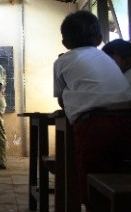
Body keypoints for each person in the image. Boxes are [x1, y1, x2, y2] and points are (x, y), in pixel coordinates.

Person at [53, 10, 131, 209]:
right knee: (119, 172)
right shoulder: (108, 59)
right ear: (99, 38)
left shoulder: (61, 61)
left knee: (90, 182)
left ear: (64, 43)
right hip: (127, 120)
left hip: (93, 125)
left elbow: (61, 99)